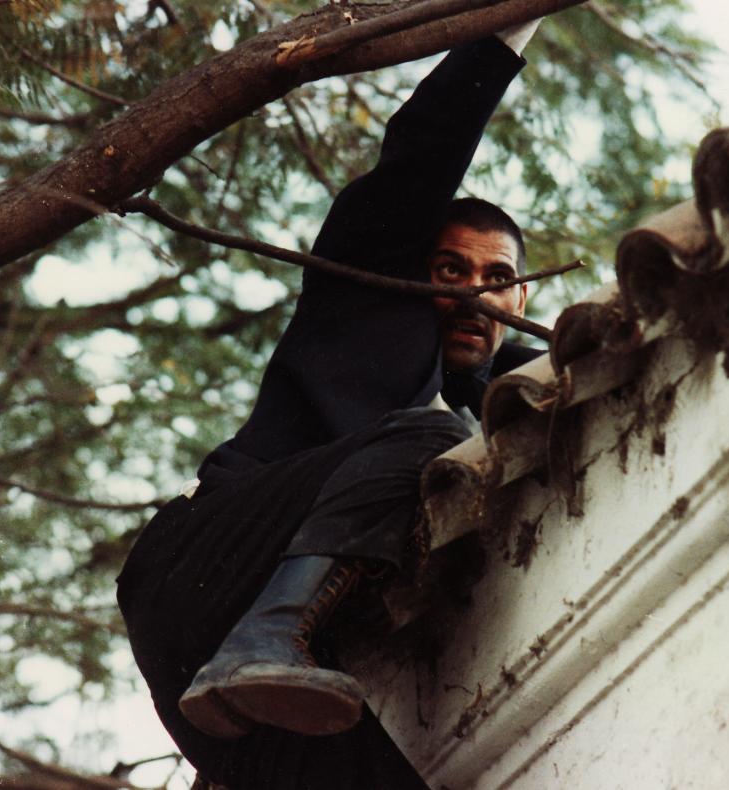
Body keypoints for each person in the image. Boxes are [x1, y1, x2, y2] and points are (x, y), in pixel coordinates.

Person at [116, 19, 542, 790]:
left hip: (214, 685)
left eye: (497, 279)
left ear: (522, 298)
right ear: (407, 267)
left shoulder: (500, 387)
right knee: (434, 440)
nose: (473, 294)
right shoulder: (367, 301)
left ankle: (264, 654)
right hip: (203, 562)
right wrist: (512, 24)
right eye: (450, 270)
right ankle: (269, 633)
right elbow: (426, 148)